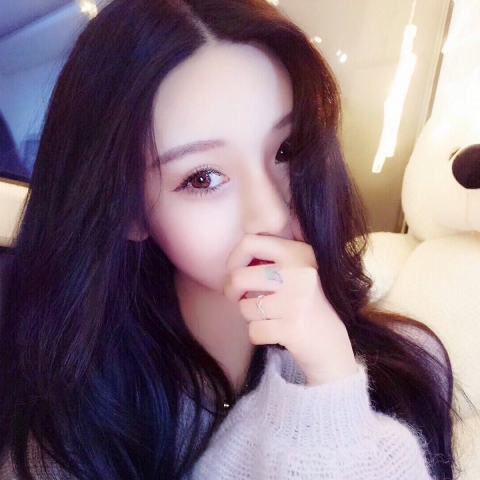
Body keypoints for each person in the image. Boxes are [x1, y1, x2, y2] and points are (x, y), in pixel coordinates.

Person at [0, 0, 456, 478]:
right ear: (128, 211)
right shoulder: (71, 434)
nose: (272, 213)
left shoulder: (408, 366)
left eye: (287, 149)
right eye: (202, 178)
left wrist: (331, 381)